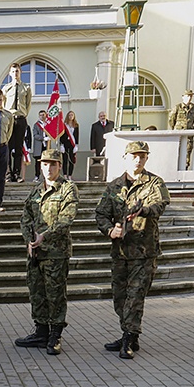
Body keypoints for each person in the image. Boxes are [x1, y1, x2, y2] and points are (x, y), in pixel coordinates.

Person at [94, 141, 170, 359]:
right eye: (134, 155)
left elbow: (159, 205)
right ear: (126, 157)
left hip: (144, 252)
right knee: (120, 296)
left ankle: (128, 336)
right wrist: (110, 230)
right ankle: (130, 334)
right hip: (120, 252)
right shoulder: (114, 186)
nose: (138, 159)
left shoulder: (154, 183)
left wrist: (143, 210)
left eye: (142, 156)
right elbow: (101, 214)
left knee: (135, 297)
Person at [15, 149, 79, 355]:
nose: (48, 168)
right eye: (44, 164)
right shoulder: (36, 191)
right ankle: (41, 331)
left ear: (59, 166)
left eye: (53, 164)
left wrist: (45, 236)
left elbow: (66, 219)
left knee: (56, 295)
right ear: (40, 166)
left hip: (56, 253)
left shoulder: (68, 189)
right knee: (37, 293)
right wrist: (29, 240)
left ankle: (55, 335)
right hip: (36, 253)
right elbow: (25, 217)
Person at [1, 63, 31, 183]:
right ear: (10, 73)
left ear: (20, 72)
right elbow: (3, 105)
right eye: (13, 72)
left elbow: (28, 105)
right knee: (7, 147)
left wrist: (22, 115)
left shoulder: (26, 88)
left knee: (18, 148)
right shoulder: (6, 88)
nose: (15, 74)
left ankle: (17, 173)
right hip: (9, 119)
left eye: (17, 71)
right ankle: (8, 174)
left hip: (20, 118)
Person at [169, 90, 194, 168]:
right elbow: (171, 119)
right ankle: (176, 166)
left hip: (189, 133)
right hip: (179, 132)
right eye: (187, 96)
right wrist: (175, 128)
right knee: (177, 151)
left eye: (191, 96)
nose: (189, 98)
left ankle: (186, 167)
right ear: (183, 97)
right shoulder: (178, 107)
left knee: (188, 151)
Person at [60, 111, 79, 180]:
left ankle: (70, 175)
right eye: (69, 115)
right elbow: (61, 135)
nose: (71, 116)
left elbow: (77, 135)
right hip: (65, 143)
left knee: (72, 160)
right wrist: (61, 144)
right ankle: (65, 175)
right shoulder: (64, 125)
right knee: (65, 160)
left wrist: (76, 145)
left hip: (72, 144)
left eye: (72, 115)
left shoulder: (76, 125)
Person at [31, 110, 48, 182]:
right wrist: (43, 138)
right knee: (37, 162)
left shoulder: (47, 124)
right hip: (39, 146)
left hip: (46, 146)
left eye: (43, 115)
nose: (42, 116)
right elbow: (35, 135)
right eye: (40, 115)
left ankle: (45, 176)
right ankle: (37, 176)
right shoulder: (36, 125)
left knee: (46, 162)